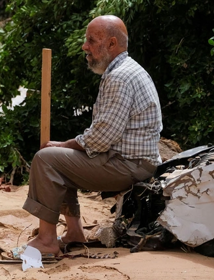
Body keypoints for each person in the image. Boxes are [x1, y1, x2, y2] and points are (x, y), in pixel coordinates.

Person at [23, 15, 162, 256]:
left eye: (91, 40)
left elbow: (101, 138)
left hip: (129, 165)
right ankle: (75, 232)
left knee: (46, 159)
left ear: (111, 44)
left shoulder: (119, 77)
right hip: (132, 162)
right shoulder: (126, 70)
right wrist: (66, 147)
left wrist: (64, 144)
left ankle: (46, 241)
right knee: (59, 157)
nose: (85, 47)